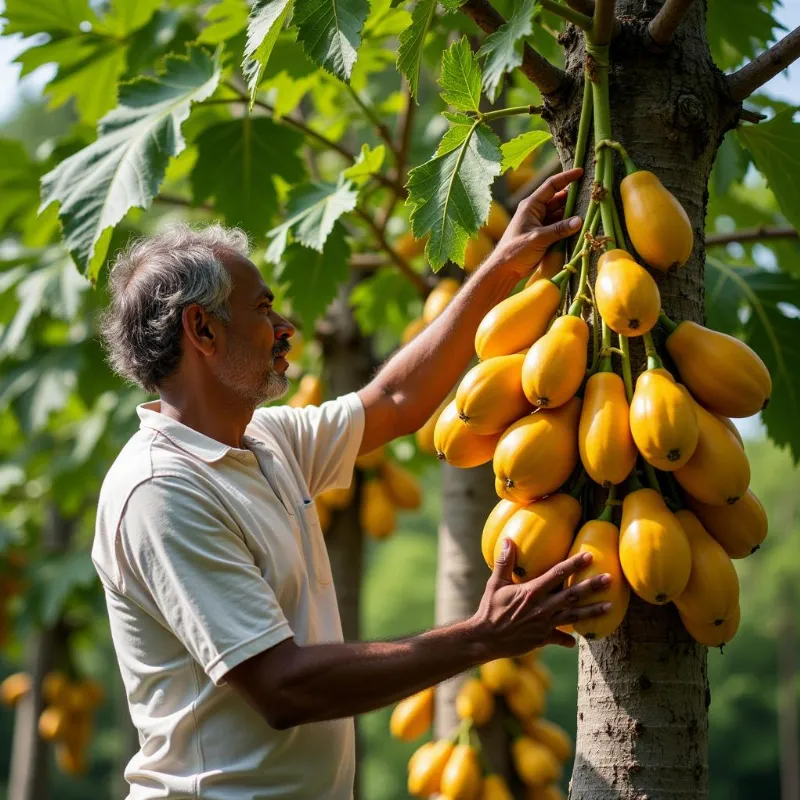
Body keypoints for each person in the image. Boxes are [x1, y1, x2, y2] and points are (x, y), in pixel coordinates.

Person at [92, 167, 611, 800]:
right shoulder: (161, 491)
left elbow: (395, 399)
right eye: (262, 310)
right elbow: (283, 687)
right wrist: (480, 637)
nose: (288, 328)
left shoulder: (266, 440)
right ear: (201, 330)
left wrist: (505, 264)